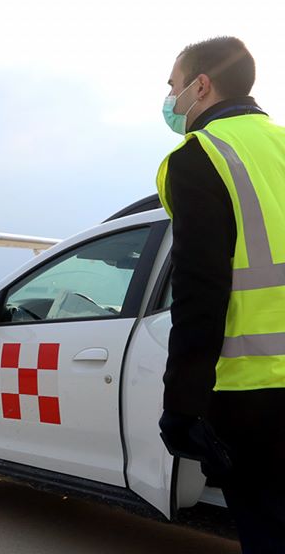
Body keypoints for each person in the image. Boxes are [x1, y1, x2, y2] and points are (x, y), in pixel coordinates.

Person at [156, 36, 285, 552]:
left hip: (252, 394)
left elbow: (199, 293)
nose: (168, 99)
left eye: (172, 85)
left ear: (200, 86)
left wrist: (182, 406)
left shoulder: (199, 158)